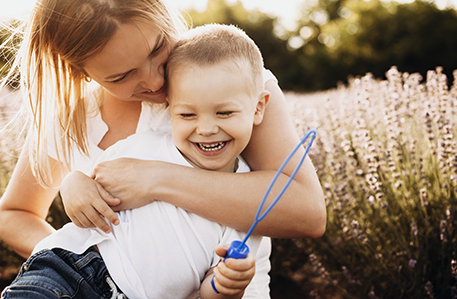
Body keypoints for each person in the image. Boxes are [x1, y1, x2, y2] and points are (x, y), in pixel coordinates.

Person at [0, 0, 325, 285]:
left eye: (157, 49)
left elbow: (306, 211)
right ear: (80, 72)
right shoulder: (70, 119)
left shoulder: (227, 81)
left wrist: (158, 179)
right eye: (120, 76)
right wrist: (87, 267)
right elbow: (14, 213)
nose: (156, 81)